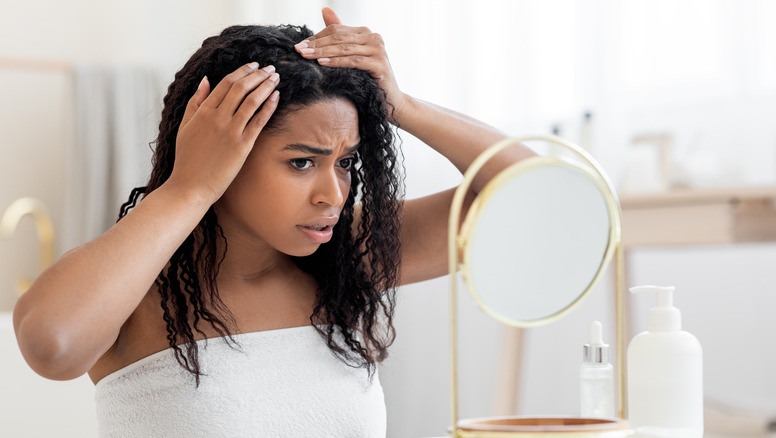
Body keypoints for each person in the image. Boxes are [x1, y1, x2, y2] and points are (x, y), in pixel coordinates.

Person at [13, 7, 532, 437]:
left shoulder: (347, 258)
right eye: (301, 162)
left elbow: (538, 198)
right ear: (222, 152)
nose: (333, 193)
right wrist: (190, 184)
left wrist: (404, 105)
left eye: (346, 162)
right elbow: (52, 346)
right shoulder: (136, 291)